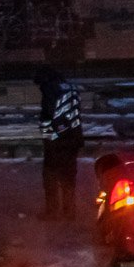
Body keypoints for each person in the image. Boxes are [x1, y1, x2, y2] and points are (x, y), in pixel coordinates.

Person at [33, 65, 84, 221]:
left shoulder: (50, 89)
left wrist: (47, 139)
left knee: (50, 175)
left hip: (57, 139)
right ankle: (70, 212)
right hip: (74, 137)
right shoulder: (71, 88)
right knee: (69, 177)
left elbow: (47, 117)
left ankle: (52, 212)